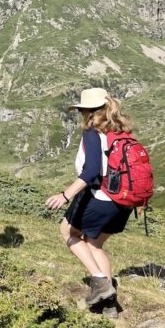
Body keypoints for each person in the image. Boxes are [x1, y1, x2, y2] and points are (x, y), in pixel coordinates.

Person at [46, 87, 134, 313]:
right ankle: (109, 305)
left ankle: (100, 283)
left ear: (88, 111)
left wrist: (65, 195)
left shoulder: (93, 133)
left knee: (68, 232)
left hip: (100, 197)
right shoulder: (121, 132)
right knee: (94, 244)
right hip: (124, 202)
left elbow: (92, 171)